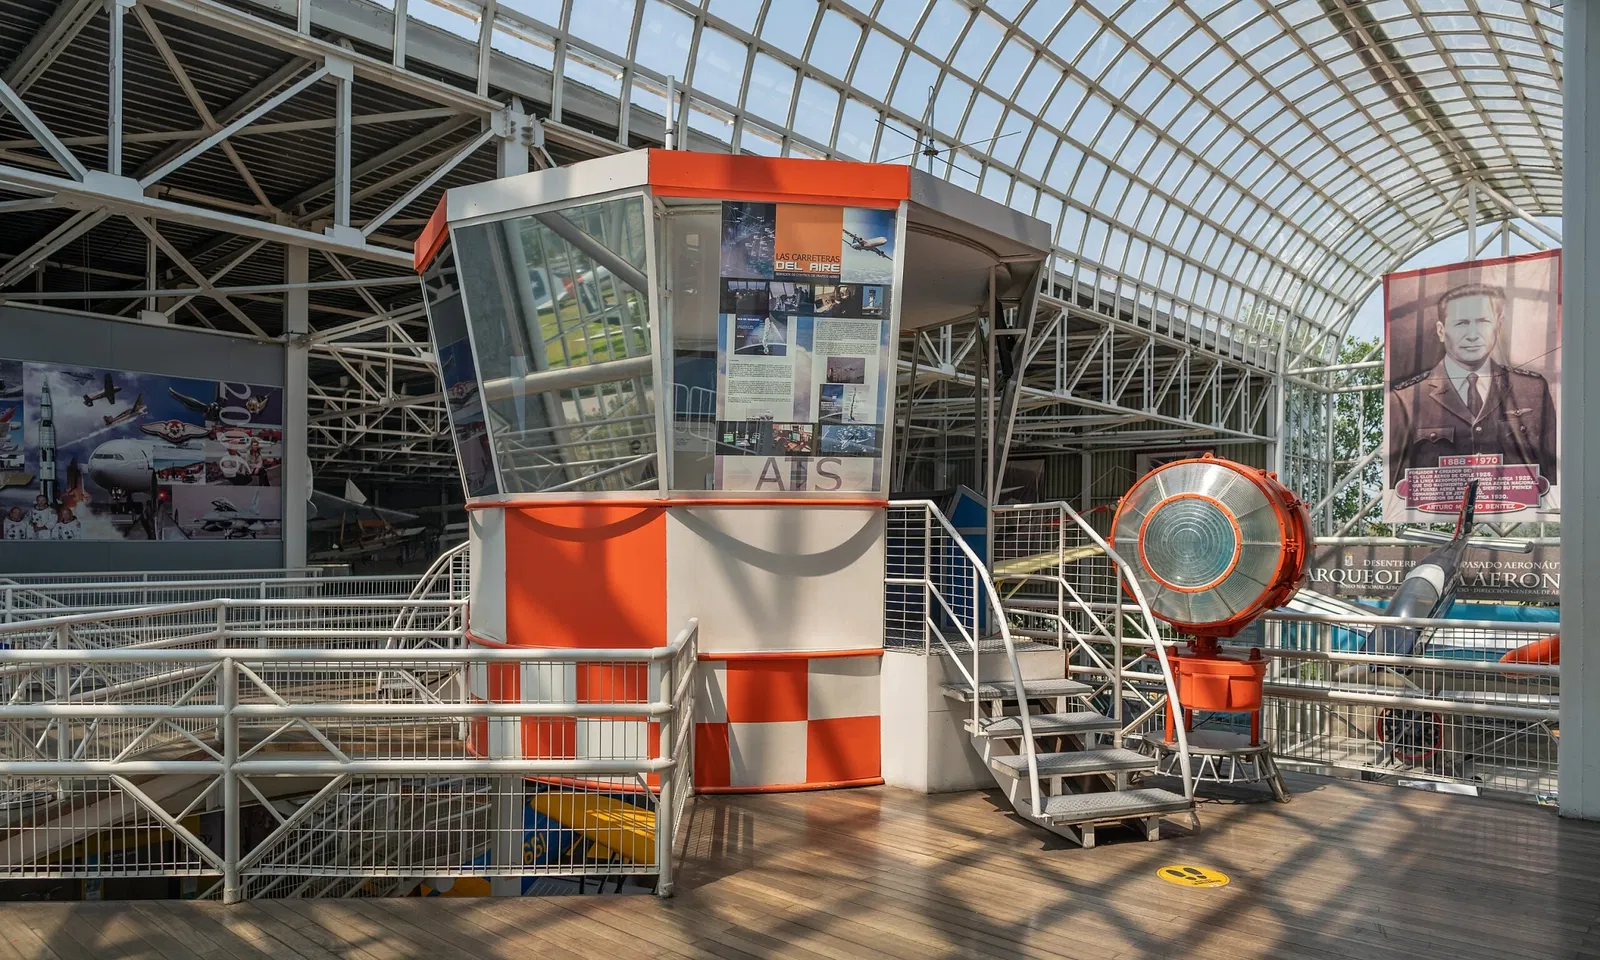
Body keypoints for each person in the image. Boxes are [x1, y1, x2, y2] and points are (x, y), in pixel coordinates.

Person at [1388, 282, 1557, 484]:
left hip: (1521, 511)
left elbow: (1552, 471)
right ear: (1441, 331)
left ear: (1499, 325)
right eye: (1461, 323)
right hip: (1439, 514)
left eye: (1483, 321)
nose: (1473, 335)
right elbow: (1395, 481)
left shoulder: (1532, 389)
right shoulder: (1406, 398)